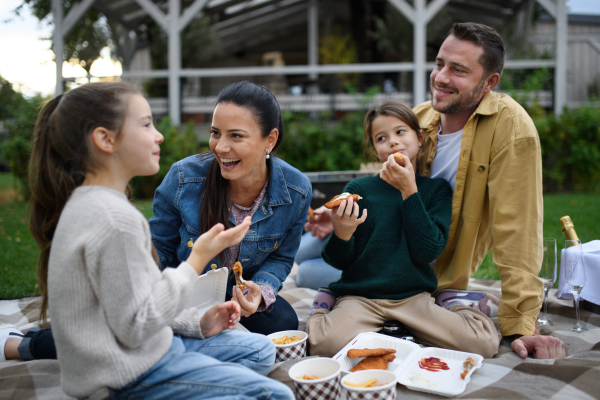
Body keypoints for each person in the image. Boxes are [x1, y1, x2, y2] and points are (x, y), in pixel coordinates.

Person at [301, 22, 565, 359]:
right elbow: (378, 182)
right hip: (376, 248)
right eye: (439, 63)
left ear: (489, 83)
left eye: (458, 70)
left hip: (422, 269)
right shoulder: (422, 118)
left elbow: (519, 230)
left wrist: (522, 322)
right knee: (306, 255)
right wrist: (338, 214)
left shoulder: (511, 129)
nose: (440, 77)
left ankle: (452, 302)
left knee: (307, 270)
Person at [17, 82, 294, 400]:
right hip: (127, 375)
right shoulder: (114, 219)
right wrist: (197, 258)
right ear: (106, 140)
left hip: (147, 347)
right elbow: (138, 323)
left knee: (260, 349)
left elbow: (132, 302)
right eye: (147, 124)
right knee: (276, 395)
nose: (159, 135)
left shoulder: (91, 203)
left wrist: (196, 323)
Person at [306, 100, 499, 358]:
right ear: (375, 150)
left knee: (483, 344)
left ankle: (450, 303)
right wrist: (341, 233)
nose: (393, 142)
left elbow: (427, 250)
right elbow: (338, 260)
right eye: (381, 138)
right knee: (322, 345)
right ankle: (325, 303)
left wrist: (409, 191)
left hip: (413, 297)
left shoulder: (436, 190)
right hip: (362, 296)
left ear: (419, 138)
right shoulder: (358, 189)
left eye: (400, 132)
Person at [149, 81, 312, 335]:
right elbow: (159, 248)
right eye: (216, 133)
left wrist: (260, 291)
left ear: (270, 139)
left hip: (237, 302)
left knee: (283, 322)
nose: (220, 147)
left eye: (236, 135)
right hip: (186, 296)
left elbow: (281, 258)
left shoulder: (296, 190)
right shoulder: (183, 178)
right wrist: (157, 304)